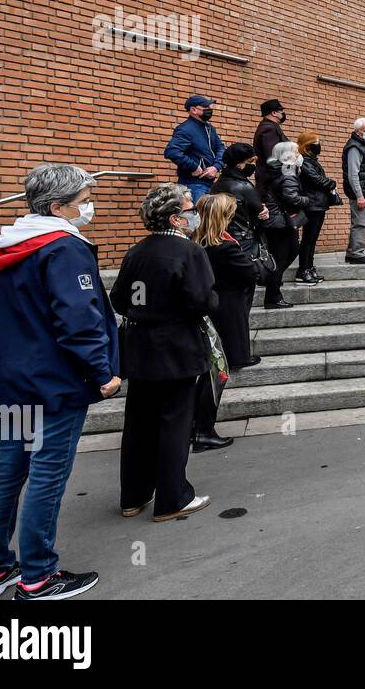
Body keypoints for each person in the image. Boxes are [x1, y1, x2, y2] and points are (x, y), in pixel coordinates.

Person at [0, 164, 121, 602]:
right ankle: (38, 576)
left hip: (12, 378)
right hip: (54, 381)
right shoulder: (63, 248)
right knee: (47, 474)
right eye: (81, 202)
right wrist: (101, 370)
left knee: (8, 469)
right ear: (57, 207)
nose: (87, 208)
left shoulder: (6, 245)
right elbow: (79, 319)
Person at [111, 183, 216, 523]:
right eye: (189, 208)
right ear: (176, 217)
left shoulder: (137, 251)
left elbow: (118, 299)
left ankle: (134, 495)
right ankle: (173, 497)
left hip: (140, 348)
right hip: (176, 347)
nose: (194, 214)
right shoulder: (188, 252)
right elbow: (202, 300)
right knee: (175, 421)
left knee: (139, 422)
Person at [192, 192, 258, 452]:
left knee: (208, 373)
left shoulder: (195, 243)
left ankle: (195, 426)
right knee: (216, 374)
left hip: (210, 309)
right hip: (226, 312)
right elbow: (249, 273)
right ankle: (203, 431)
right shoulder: (224, 246)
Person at [260, 141, 307, 308]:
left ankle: (273, 282)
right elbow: (291, 197)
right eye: (295, 152)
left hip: (278, 220)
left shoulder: (275, 170)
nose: (298, 155)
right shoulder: (288, 172)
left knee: (290, 251)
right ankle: (273, 296)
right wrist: (308, 200)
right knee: (280, 257)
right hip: (281, 221)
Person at [291, 131, 339, 285]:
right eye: (316, 142)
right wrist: (330, 182)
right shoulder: (305, 161)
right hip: (312, 205)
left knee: (312, 239)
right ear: (307, 145)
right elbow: (317, 180)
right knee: (308, 239)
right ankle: (303, 270)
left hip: (317, 204)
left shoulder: (311, 160)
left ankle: (309, 268)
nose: (319, 145)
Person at [163, 94, 224, 201]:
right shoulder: (186, 129)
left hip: (209, 184)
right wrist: (194, 167)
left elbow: (221, 148)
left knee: (206, 217)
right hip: (193, 185)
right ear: (193, 110)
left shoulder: (209, 128)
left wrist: (216, 167)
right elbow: (171, 151)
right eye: (206, 107)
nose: (210, 110)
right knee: (196, 217)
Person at [342, 118, 365, 264]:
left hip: (364, 191)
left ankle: (352, 252)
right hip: (360, 192)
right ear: (358, 131)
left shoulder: (361, 144)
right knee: (359, 223)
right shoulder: (354, 147)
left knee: (360, 222)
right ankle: (357, 253)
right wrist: (359, 196)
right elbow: (353, 174)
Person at [253, 99, 289, 194]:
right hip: (271, 184)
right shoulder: (269, 129)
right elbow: (273, 158)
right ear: (274, 113)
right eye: (281, 111)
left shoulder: (270, 127)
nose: (283, 114)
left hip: (272, 182)